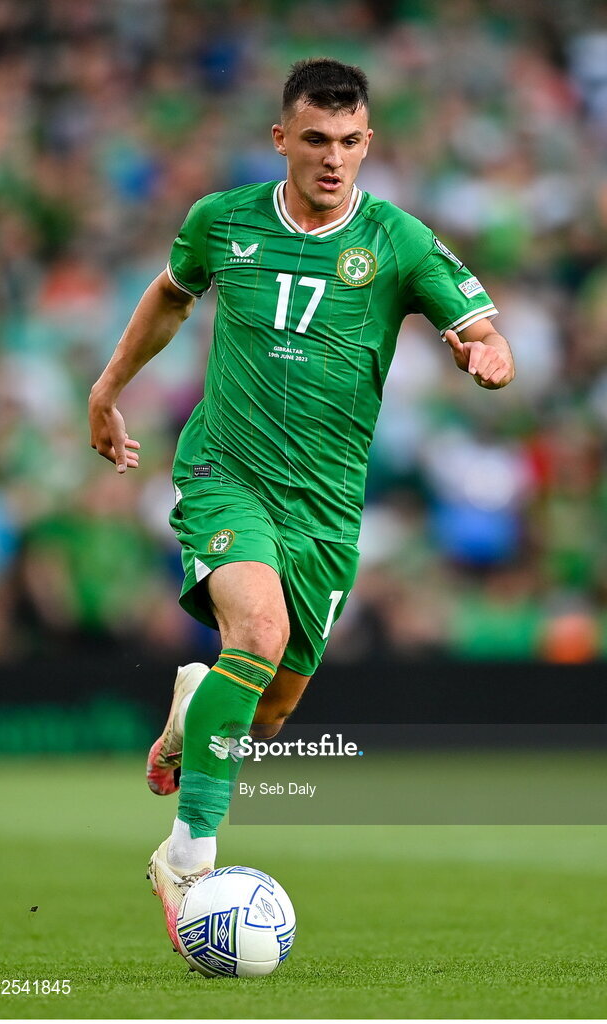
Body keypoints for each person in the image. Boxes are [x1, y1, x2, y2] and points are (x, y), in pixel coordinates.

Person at [88, 58, 515, 951]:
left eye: (350, 142)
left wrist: (485, 351)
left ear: (369, 142)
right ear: (281, 137)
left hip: (325, 507)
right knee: (258, 635)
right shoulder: (222, 219)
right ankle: (189, 858)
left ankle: (199, 700)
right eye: (315, 140)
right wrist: (108, 388)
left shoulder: (396, 239)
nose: (333, 159)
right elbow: (170, 297)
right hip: (225, 471)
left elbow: (478, 324)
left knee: (271, 711)